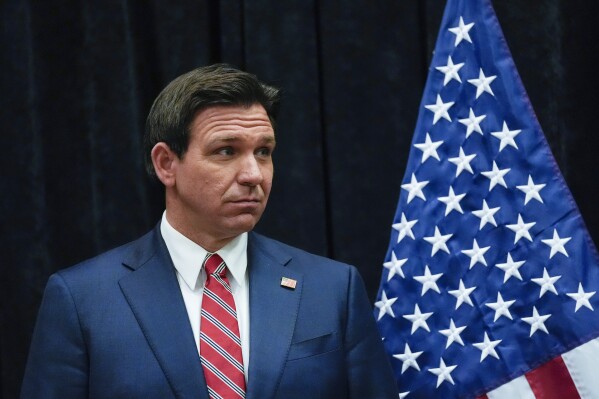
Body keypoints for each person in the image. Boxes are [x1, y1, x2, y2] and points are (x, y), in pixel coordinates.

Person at [21, 64, 397, 398]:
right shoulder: (82, 300)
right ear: (167, 163)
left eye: (264, 151)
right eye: (226, 151)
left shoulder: (333, 289)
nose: (253, 174)